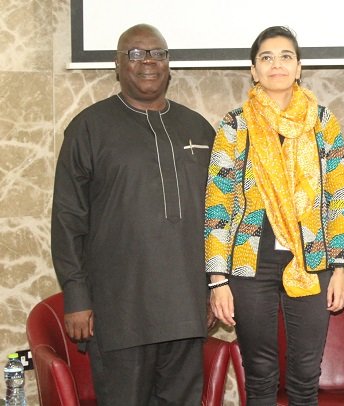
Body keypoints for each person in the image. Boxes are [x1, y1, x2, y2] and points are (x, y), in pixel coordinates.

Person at [51, 24, 215, 405]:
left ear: (169, 65)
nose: (148, 63)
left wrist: (213, 288)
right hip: (119, 311)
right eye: (136, 54)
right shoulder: (88, 128)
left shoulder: (199, 128)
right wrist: (76, 296)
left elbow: (218, 219)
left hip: (186, 309)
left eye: (157, 54)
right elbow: (67, 218)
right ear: (118, 64)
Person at [204, 26, 344, 405]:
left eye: (286, 56)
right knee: (259, 373)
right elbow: (218, 204)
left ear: (299, 67)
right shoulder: (235, 125)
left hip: (313, 259)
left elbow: (339, 196)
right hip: (249, 264)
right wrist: (217, 279)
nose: (276, 64)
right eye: (266, 58)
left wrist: (340, 268)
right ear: (254, 71)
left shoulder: (322, 122)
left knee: (306, 374)